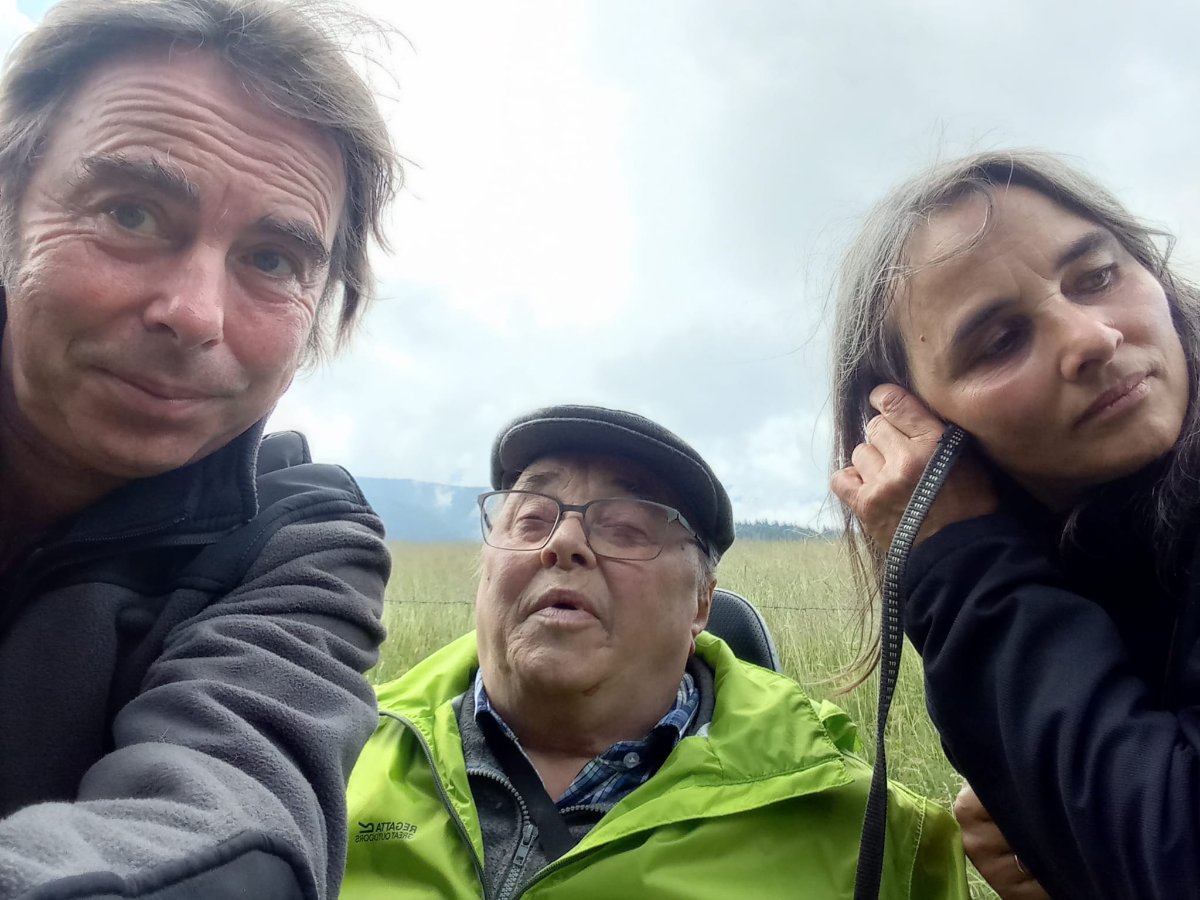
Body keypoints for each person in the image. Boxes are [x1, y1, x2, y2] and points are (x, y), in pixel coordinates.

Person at [0, 0, 400, 897]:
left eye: (272, 260)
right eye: (132, 213)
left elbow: (231, 826)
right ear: (10, 207)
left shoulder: (297, 544)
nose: (193, 313)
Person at [343, 403, 968, 899]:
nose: (564, 541)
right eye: (531, 518)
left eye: (625, 527)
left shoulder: (872, 834)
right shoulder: (332, 753)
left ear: (701, 604)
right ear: (485, 569)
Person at [830, 149, 1200, 900]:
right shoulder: (1092, 562)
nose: (1091, 338)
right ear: (915, 428)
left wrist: (958, 560)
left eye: (1097, 276)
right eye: (1000, 341)